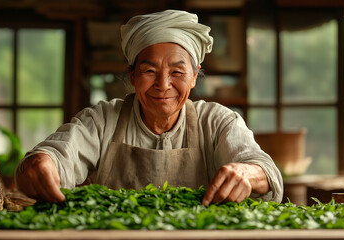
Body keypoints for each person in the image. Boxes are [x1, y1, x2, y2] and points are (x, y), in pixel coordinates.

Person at [15, 9, 283, 205]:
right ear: (132, 76)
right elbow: (54, 159)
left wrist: (247, 173)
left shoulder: (217, 122)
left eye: (177, 72)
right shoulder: (102, 121)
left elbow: (266, 172)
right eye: (149, 70)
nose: (163, 84)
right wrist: (39, 165)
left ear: (194, 75)